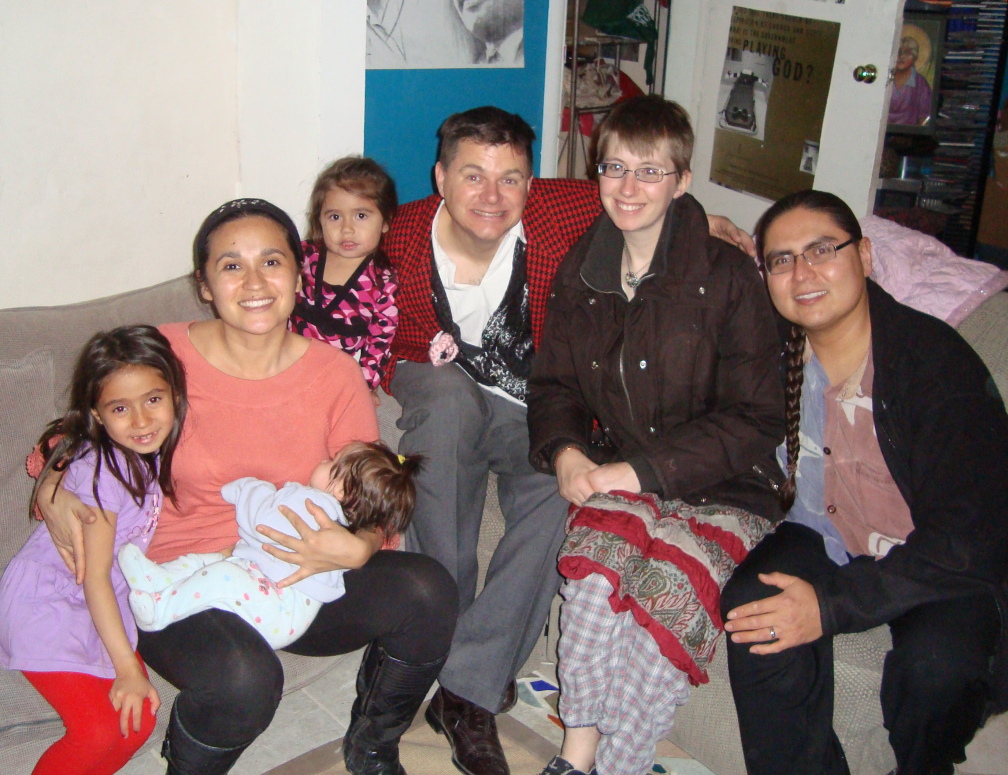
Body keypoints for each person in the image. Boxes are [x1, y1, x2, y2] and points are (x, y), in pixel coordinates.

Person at [381, 103, 758, 775]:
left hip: (529, 404)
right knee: (444, 402)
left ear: (533, 184)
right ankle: (437, 615)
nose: (491, 196)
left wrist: (706, 223)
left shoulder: (560, 215)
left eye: (510, 179)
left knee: (565, 491)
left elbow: (644, 193)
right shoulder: (400, 233)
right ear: (440, 178)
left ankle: (466, 690)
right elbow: (326, 282)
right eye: (472, 176)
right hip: (442, 390)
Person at [36, 199, 458, 775]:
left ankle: (374, 745)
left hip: (292, 576)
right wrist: (53, 483)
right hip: (180, 579)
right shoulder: (162, 352)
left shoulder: (335, 373)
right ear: (204, 285)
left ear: (300, 275)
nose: (255, 283)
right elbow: (74, 433)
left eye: (272, 262)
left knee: (430, 589)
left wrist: (361, 545)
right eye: (232, 265)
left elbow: (370, 487)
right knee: (246, 680)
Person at [526, 95, 785, 775]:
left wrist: (638, 473)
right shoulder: (582, 272)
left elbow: (759, 417)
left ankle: (626, 764)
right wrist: (566, 451)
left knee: (659, 608)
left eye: (650, 171)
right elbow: (553, 384)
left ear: (682, 180)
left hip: (728, 485)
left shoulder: (726, 275)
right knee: (590, 590)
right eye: (615, 167)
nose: (629, 187)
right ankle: (576, 753)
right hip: (620, 468)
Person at [720, 190, 1008, 775]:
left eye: (822, 250)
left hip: (930, 557)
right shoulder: (772, 350)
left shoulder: (933, 365)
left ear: (866, 256)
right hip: (823, 534)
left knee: (936, 668)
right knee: (754, 611)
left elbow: (969, 536)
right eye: (782, 260)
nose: (803, 273)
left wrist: (830, 607)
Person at [0, 325, 187, 775]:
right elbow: (97, 575)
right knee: (98, 730)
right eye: (120, 408)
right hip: (48, 604)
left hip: (97, 600)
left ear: (175, 396)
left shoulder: (148, 452)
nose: (141, 421)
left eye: (153, 399)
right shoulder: (105, 470)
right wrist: (127, 668)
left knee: (137, 722)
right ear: (98, 416)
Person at [120, 441, 422, 649]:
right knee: (206, 562)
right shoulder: (341, 521)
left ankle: (161, 609)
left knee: (222, 576)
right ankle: (158, 579)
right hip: (270, 593)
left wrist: (248, 488)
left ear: (341, 491)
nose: (323, 460)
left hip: (278, 608)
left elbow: (262, 522)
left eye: (332, 463)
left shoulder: (315, 504)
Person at [290, 156, 400, 402]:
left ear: (385, 222)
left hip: (337, 376)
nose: (346, 229)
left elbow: (380, 341)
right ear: (319, 219)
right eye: (334, 217)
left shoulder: (383, 282)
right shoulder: (304, 256)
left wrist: (364, 386)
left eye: (361, 216)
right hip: (287, 361)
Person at [888, 35, 933, 126]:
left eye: (907, 52)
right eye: (898, 52)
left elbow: (924, 117)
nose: (901, 56)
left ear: (914, 57)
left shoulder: (921, 84)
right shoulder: (886, 79)